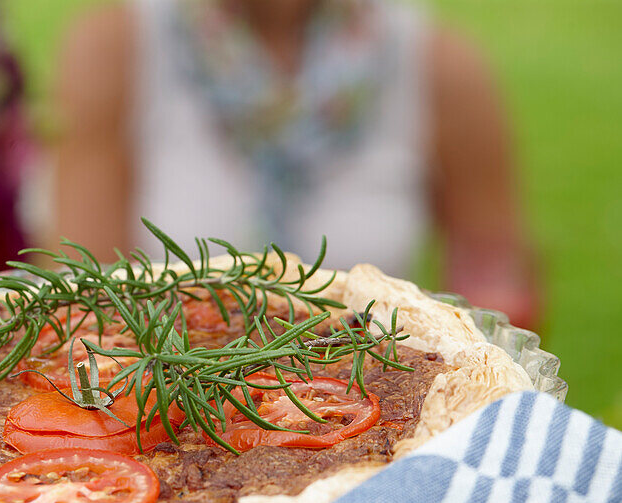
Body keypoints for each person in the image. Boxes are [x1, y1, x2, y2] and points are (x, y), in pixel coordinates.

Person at [52, 0, 539, 328]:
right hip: (171, 411)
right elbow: (83, 301)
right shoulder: (119, 48)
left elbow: (497, 297)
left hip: (374, 408)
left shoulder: (437, 64)